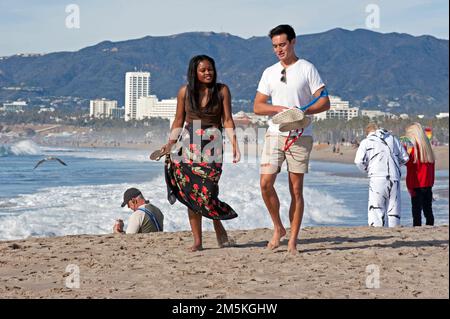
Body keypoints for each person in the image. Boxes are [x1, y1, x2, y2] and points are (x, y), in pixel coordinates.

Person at [253, 25, 330, 254]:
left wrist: (303, 110)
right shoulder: (269, 72)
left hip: (300, 136)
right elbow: (257, 106)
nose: (279, 49)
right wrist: (278, 109)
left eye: (282, 44)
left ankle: (293, 240)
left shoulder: (307, 68)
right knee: (265, 183)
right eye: (275, 46)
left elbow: (324, 101)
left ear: (293, 42)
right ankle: (278, 227)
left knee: (296, 190)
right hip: (274, 134)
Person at [161, 55, 240, 251]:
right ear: (194, 73)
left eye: (210, 69)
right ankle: (197, 241)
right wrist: (170, 144)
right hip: (188, 145)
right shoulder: (184, 92)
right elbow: (178, 120)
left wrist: (235, 145)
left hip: (213, 145)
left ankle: (217, 223)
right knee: (191, 193)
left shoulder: (222, 91)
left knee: (208, 190)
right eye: (203, 70)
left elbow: (228, 119)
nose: (207, 73)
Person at [354, 123, 409, 227]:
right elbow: (405, 158)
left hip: (377, 178)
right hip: (394, 177)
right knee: (394, 210)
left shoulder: (366, 142)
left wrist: (367, 169)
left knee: (376, 209)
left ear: (367, 133)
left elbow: (358, 161)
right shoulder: (393, 139)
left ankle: (378, 232)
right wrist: (395, 165)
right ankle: (395, 229)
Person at [404, 123, 435, 226]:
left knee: (416, 211)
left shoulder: (413, 149)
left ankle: (417, 227)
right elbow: (432, 169)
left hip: (416, 183)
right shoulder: (427, 148)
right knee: (428, 209)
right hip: (427, 184)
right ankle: (430, 226)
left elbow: (408, 163)